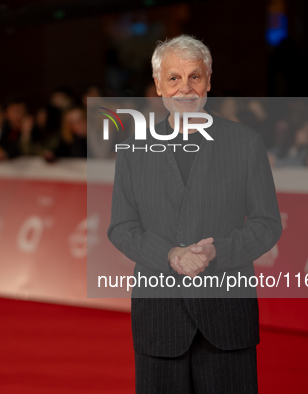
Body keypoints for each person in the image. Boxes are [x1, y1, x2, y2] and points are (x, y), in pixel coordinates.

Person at [107, 35, 282, 393]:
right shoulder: (133, 150)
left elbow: (267, 224)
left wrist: (218, 252)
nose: (185, 89)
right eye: (174, 78)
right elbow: (122, 227)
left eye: (195, 77)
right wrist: (170, 255)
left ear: (209, 80)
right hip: (159, 318)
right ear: (158, 85)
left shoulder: (245, 143)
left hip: (227, 317)